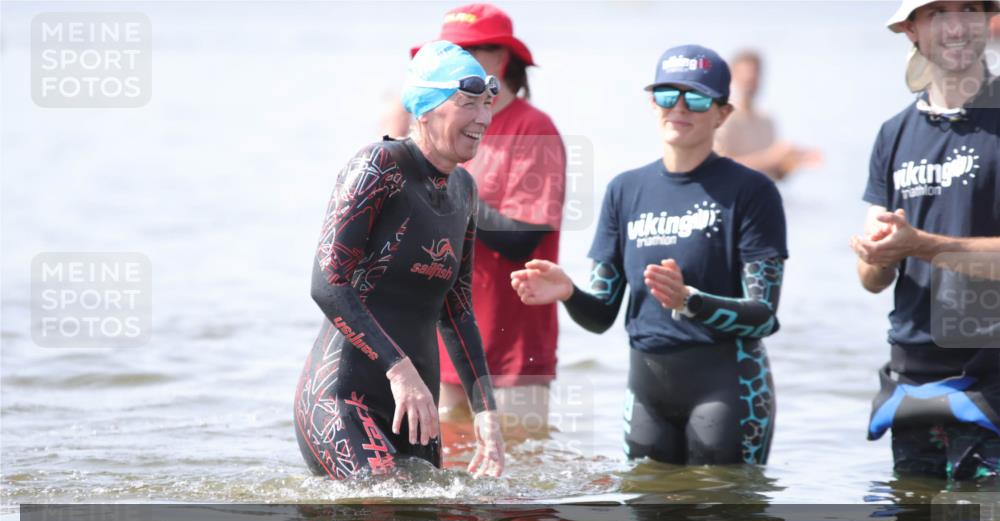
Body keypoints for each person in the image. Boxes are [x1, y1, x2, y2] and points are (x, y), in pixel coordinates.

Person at [512, 45, 788, 465]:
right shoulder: (625, 190)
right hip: (647, 394)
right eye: (667, 95)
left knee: (724, 508)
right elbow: (602, 315)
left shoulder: (751, 191)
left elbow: (763, 315)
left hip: (728, 390)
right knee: (644, 505)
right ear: (652, 104)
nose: (679, 108)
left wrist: (690, 300)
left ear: (722, 113)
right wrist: (569, 293)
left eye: (696, 99)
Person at [294, 41, 505, 480]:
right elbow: (328, 283)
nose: (483, 118)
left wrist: (485, 411)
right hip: (343, 398)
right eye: (468, 103)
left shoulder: (463, 190)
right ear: (425, 109)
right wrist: (399, 369)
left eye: (487, 104)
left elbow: (457, 309)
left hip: (415, 405)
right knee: (380, 507)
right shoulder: (379, 167)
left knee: (426, 516)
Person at [851, 0, 1000, 479]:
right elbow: (872, 280)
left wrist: (921, 245)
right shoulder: (893, 134)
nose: (956, 26)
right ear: (911, 29)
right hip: (914, 377)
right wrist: (878, 253)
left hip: (992, 375)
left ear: (988, 21)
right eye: (938, 12)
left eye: (969, 8)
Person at [404, 4, 566, 436]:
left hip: (513, 353)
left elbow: (521, 240)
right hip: (440, 341)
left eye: (469, 50)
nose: (455, 60)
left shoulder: (534, 129)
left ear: (502, 58)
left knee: (519, 469)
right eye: (448, 51)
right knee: (442, 468)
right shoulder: (436, 130)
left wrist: (449, 186)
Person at [713, 50, 822, 181]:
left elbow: (774, 173)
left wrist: (793, 160)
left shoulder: (766, 120)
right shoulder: (723, 117)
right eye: (745, 76)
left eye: (754, 75)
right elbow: (719, 169)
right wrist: (771, 157)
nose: (749, 80)